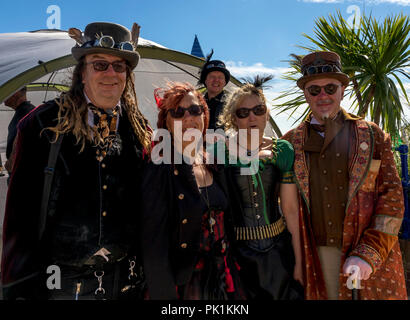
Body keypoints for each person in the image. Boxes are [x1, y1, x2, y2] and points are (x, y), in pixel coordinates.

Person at [1, 22, 152, 300]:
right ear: (82, 71)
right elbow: (19, 214)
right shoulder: (43, 124)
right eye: (99, 65)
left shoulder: (139, 128)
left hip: (127, 278)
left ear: (127, 76)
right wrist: (17, 287)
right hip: (62, 281)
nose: (110, 73)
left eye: (119, 66)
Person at [282, 51, 407, 300]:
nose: (323, 96)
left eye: (330, 87)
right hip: (314, 257)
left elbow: (392, 198)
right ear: (305, 94)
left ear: (342, 90)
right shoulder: (288, 143)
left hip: (368, 258)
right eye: (314, 90)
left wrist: (369, 254)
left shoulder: (373, 136)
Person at [140, 82, 243, 300]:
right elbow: (153, 246)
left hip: (222, 278)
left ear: (205, 116)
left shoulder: (212, 162)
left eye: (195, 110)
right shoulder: (159, 167)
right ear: (167, 123)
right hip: (184, 284)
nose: (188, 118)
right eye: (178, 112)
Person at [217, 81, 304, 300]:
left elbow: (290, 210)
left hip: (279, 253)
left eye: (258, 110)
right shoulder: (220, 151)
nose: (252, 117)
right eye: (243, 112)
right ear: (234, 119)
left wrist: (299, 262)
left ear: (267, 115)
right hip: (237, 257)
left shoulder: (281, 150)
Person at [3, 87, 35, 181]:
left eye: (6, 91)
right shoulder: (24, 112)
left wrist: (9, 163)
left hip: (23, 180)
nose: (4, 96)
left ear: (16, 92)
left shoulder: (27, 114)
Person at [198, 51, 231, 130]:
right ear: (205, 80)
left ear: (225, 82)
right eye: (212, 77)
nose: (216, 80)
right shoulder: (196, 104)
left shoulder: (232, 105)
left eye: (220, 77)